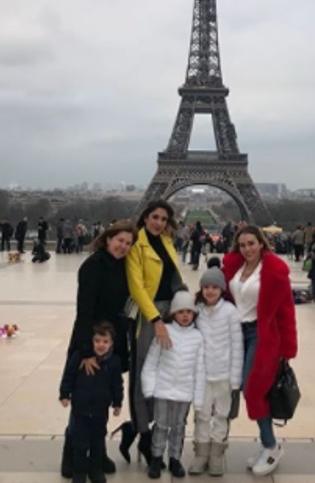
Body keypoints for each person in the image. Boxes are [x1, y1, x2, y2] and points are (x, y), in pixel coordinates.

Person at [60, 220, 137, 480]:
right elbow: (84, 312)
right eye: (120, 240)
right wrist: (86, 352)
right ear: (107, 238)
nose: (123, 246)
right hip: (91, 341)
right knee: (81, 401)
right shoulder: (92, 267)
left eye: (128, 243)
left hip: (111, 340)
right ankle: (70, 453)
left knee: (101, 398)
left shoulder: (124, 266)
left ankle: (97, 452)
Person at [222, 225, 298, 477]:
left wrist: (287, 348)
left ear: (261, 243)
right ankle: (267, 442)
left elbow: (286, 311)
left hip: (262, 335)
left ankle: (270, 445)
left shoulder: (274, 271)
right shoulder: (234, 268)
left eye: (251, 244)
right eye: (243, 245)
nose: (247, 249)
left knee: (252, 387)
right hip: (237, 334)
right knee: (253, 388)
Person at [122, 199, 183, 466]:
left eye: (163, 218)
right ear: (145, 218)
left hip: (171, 314)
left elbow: (175, 281)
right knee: (142, 373)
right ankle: (143, 433)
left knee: (163, 373)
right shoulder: (137, 244)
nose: (159, 222)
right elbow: (136, 287)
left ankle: (144, 430)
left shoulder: (168, 242)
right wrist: (156, 319)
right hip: (149, 316)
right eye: (155, 217)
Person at [141, 289, 205, 479]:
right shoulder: (164, 332)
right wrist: (149, 388)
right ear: (173, 314)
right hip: (163, 390)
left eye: (188, 312)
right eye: (180, 312)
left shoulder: (198, 338)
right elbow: (151, 362)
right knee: (160, 425)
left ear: (193, 313)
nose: (185, 316)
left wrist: (198, 398)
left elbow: (199, 369)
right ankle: (156, 457)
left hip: (184, 392)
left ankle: (175, 458)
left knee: (178, 426)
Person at [190, 267, 243, 476]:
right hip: (202, 375)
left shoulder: (230, 311)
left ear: (221, 289)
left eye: (214, 287)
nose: (210, 291)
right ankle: (201, 453)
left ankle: (216, 454)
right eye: (206, 287)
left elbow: (237, 345)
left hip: (224, 375)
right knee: (202, 415)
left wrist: (235, 379)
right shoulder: (196, 311)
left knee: (222, 415)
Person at [59, 321, 123, 483]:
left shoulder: (113, 362)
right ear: (91, 342)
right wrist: (64, 394)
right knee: (80, 443)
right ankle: (79, 471)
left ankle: (96, 469)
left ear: (111, 343)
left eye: (105, 342)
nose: (101, 345)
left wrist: (117, 402)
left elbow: (117, 384)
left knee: (97, 442)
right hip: (80, 410)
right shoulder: (80, 358)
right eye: (97, 341)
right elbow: (68, 376)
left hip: (100, 411)